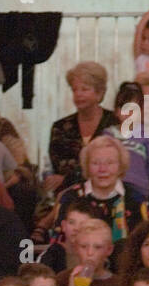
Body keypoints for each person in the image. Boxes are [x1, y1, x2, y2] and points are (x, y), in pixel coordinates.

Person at [55, 135, 149, 248]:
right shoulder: (70, 198)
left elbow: (145, 244)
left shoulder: (136, 199)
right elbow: (58, 244)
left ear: (120, 166)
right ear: (87, 166)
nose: (103, 169)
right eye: (95, 163)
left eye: (110, 163)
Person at [45, 62, 116, 195]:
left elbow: (117, 164)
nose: (78, 94)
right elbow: (60, 166)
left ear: (99, 93)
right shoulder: (60, 127)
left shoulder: (114, 122)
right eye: (74, 90)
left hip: (108, 190)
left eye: (84, 89)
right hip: (68, 194)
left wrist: (69, 178)